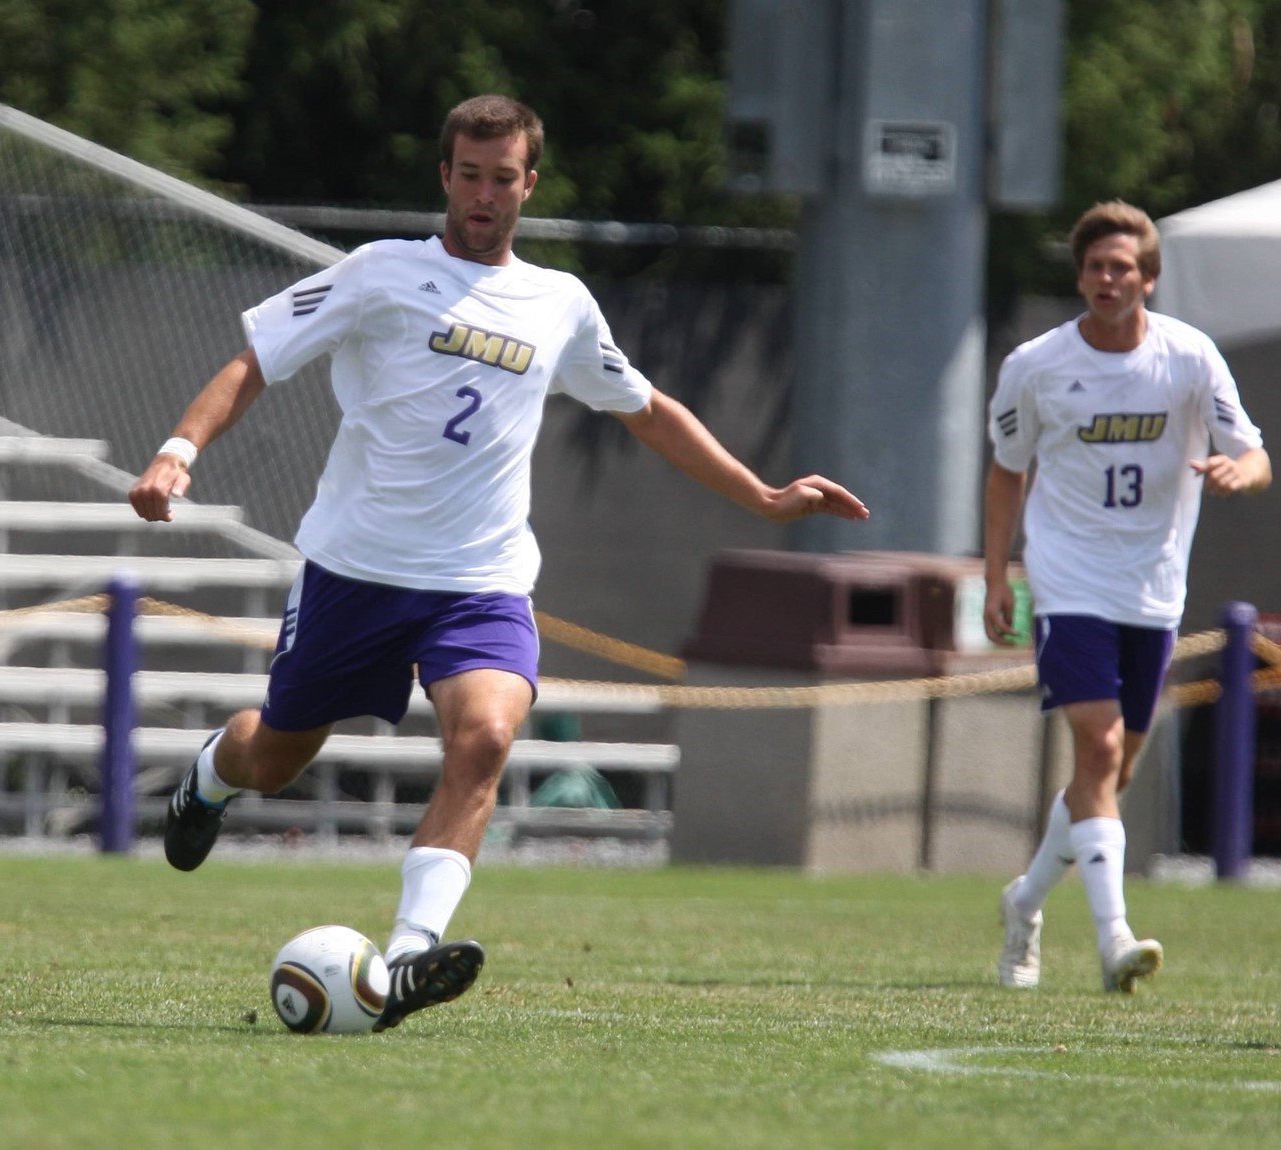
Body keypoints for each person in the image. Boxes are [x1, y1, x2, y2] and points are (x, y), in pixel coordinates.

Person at [130, 95, 868, 1029]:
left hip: (480, 581)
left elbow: (646, 408)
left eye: (502, 177)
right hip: (355, 571)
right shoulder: (379, 273)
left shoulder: (560, 302)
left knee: (483, 738)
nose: (483, 195)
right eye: (468, 175)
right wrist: (177, 451)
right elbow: (255, 361)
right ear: (445, 176)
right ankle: (211, 777)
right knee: (274, 757)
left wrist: (761, 495)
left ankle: (405, 958)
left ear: (530, 183)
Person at [985, 199, 1269, 993]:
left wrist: (1235, 473)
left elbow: (1253, 454)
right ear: (1080, 275)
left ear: (1148, 278)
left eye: (1122, 267)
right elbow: (1007, 470)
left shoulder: (1188, 357)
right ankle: (1114, 941)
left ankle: (1025, 899)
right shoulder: (1035, 365)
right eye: (1094, 266)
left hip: (1153, 587)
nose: (1107, 279)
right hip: (1069, 580)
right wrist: (996, 576)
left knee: (1111, 773)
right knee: (1100, 750)